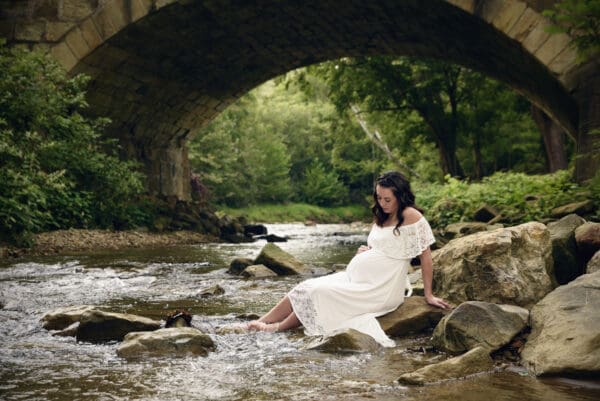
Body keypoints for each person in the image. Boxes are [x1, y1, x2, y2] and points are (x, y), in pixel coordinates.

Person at [246, 171, 450, 347]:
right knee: (305, 286)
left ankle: (277, 328)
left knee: (319, 292)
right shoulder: (381, 214)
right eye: (379, 198)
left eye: (387, 199)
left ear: (400, 195)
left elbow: (426, 256)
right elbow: (382, 244)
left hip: (380, 289)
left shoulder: (411, 215)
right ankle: (258, 322)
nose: (382, 203)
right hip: (357, 279)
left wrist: (429, 294)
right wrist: (367, 251)